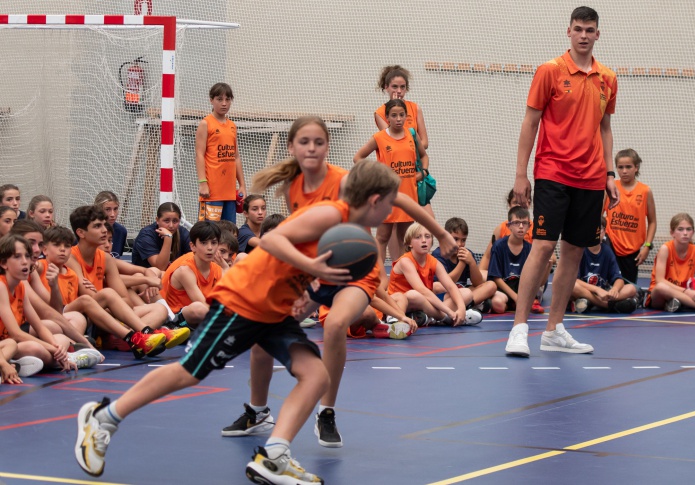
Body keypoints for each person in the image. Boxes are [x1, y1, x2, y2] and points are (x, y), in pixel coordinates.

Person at [74, 159, 402, 484]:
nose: (391, 210)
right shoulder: (331, 214)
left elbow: (315, 277)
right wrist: (312, 268)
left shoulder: (352, 236)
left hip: (274, 311)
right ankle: (103, 418)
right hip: (243, 300)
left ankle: (274, 457)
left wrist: (310, 290)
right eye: (390, 203)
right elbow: (272, 240)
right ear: (375, 201)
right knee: (187, 373)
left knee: (316, 376)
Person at [222, 117, 455, 446]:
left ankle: (326, 412)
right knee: (264, 330)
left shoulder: (343, 180)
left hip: (357, 267)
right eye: (305, 142)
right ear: (293, 148)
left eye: (319, 142)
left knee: (334, 326)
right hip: (316, 268)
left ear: (328, 146)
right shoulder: (293, 187)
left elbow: (399, 199)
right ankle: (258, 411)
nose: (312, 148)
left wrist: (442, 232)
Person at [506, 6, 618, 357]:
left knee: (573, 252)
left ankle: (554, 330)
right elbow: (530, 121)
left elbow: (605, 128)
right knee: (541, 247)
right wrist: (521, 173)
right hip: (553, 172)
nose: (584, 35)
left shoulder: (609, 79)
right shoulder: (549, 71)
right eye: (578, 29)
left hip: (592, 178)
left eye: (590, 30)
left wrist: (610, 174)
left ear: (598, 34)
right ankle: (519, 328)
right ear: (568, 31)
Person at [66, 206, 186, 352]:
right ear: (80, 233)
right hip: (80, 315)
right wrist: (116, 305)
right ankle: (145, 333)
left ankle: (128, 337)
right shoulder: (71, 256)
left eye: (104, 225)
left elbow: (125, 299)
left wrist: (119, 309)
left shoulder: (106, 259)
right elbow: (88, 297)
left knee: (160, 309)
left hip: (106, 313)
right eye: (97, 226)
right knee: (108, 293)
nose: (104, 230)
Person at [39, 226, 166, 356]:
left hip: (81, 315)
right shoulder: (40, 266)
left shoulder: (72, 272)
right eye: (56, 245)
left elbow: (124, 297)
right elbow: (57, 307)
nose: (62, 250)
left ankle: (141, 334)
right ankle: (134, 336)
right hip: (62, 313)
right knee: (92, 298)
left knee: (160, 309)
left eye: (66, 247)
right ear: (44, 249)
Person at [0, 234, 100, 373]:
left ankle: (18, 363)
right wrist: (53, 349)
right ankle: (68, 359)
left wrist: (55, 346)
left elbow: (39, 327)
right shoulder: (1, 286)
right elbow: (16, 334)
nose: (24, 262)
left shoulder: (20, 287)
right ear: (4, 263)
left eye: (27, 257)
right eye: (17, 257)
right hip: (8, 344)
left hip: (11, 343)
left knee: (61, 340)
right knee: (35, 348)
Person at [354, 98, 429, 262]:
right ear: (387, 117)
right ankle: (379, 277)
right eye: (394, 115)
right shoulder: (379, 137)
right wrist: (375, 174)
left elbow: (424, 156)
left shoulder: (411, 135)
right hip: (387, 195)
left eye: (402, 115)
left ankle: (400, 274)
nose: (398, 119)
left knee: (405, 237)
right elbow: (358, 158)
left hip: (409, 194)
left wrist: (422, 173)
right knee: (382, 236)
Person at [388, 222, 477, 327]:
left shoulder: (434, 262)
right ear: (409, 243)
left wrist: (461, 308)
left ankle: (428, 317)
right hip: (400, 303)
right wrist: (449, 312)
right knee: (415, 295)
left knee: (467, 293)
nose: (424, 240)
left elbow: (450, 286)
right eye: (418, 237)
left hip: (424, 304)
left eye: (427, 236)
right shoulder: (405, 261)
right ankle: (445, 318)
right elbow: (421, 290)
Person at [432, 217, 506, 314]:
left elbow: (478, 283)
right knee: (439, 286)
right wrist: (462, 264)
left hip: (463, 291)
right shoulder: (439, 254)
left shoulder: (467, 254)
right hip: (446, 294)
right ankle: (471, 304)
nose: (460, 244)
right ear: (446, 236)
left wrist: (471, 263)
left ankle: (468, 305)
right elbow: (446, 283)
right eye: (455, 239)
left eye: (463, 240)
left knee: (491, 285)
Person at [196, 82, 246, 223]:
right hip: (212, 192)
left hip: (230, 193)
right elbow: (199, 154)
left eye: (228, 99)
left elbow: (235, 157)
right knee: (209, 233)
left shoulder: (232, 126)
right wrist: (203, 183)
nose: (224, 103)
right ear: (211, 100)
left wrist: (242, 185)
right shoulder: (206, 123)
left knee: (228, 234)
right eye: (219, 99)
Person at [604, 149, 656, 286]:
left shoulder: (645, 191)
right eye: (620, 167)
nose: (624, 171)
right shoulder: (611, 187)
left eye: (628, 167)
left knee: (628, 289)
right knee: (609, 285)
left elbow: (652, 221)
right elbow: (599, 217)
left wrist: (647, 246)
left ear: (636, 167)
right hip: (611, 244)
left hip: (632, 249)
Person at [160, 221, 223, 327]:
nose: (210, 248)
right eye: (204, 243)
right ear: (192, 246)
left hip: (203, 320)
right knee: (198, 308)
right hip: (177, 320)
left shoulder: (217, 269)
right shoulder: (185, 270)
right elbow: (202, 304)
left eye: (213, 243)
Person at [571, 219, 639, 313]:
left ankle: (591, 302)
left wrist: (615, 289)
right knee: (572, 286)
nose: (597, 232)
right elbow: (574, 280)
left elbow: (618, 279)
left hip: (603, 293)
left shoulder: (607, 252)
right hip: (586, 291)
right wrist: (597, 289)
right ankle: (607, 305)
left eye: (600, 229)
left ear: (604, 232)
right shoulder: (580, 250)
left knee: (631, 289)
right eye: (593, 229)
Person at [488, 207, 545, 314]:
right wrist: (515, 297)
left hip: (521, 289)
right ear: (509, 226)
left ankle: (518, 303)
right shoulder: (498, 246)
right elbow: (496, 277)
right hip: (504, 289)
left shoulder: (530, 249)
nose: (520, 226)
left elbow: (538, 281)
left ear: (529, 226)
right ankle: (512, 304)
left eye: (524, 223)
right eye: (516, 223)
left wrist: (548, 265)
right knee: (498, 304)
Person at [131, 202, 192, 271]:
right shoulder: (146, 235)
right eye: (166, 221)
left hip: (174, 275)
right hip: (146, 276)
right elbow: (160, 267)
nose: (171, 225)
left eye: (175, 221)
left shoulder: (183, 233)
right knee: (156, 272)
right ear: (157, 220)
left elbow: (195, 259)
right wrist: (168, 238)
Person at [94, 191, 128, 258]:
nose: (113, 214)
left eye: (115, 209)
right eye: (107, 209)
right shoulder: (88, 231)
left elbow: (116, 257)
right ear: (98, 210)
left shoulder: (121, 231)